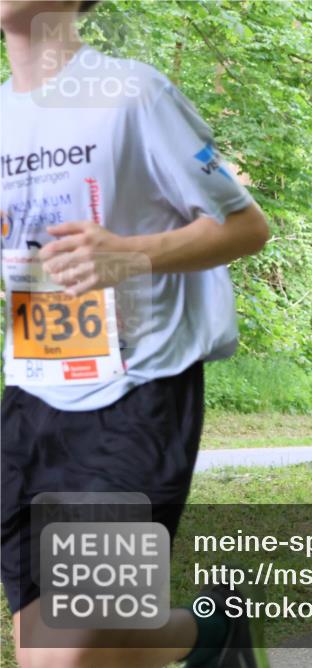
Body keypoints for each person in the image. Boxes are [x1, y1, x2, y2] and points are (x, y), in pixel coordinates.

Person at [2, 3, 270, 667]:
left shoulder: (133, 93)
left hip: (137, 391)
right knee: (56, 654)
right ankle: (212, 638)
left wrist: (129, 254)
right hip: (32, 396)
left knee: (70, 651)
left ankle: (212, 639)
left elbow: (246, 227)